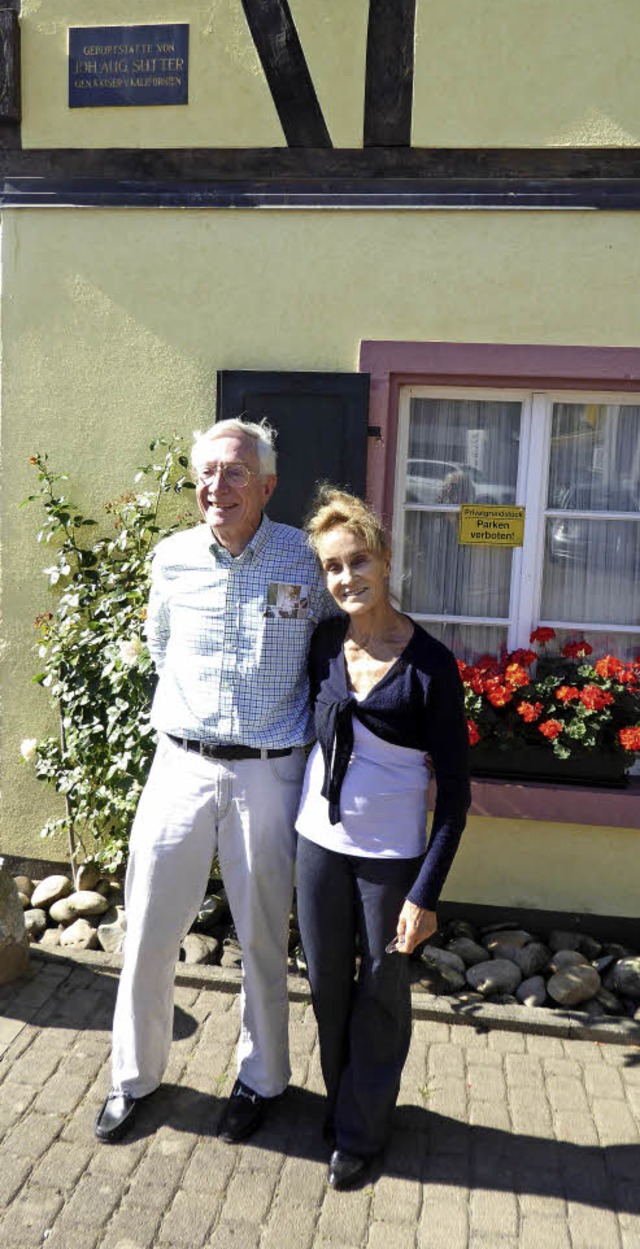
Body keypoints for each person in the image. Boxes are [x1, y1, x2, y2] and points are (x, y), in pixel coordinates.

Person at [95, 418, 334, 1144]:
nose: (216, 487)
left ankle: (262, 1079)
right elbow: (161, 645)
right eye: (206, 473)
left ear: (266, 484)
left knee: (262, 934)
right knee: (148, 929)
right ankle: (134, 1077)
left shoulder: (305, 558)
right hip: (182, 765)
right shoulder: (171, 558)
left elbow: (334, 647)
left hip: (269, 771)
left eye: (234, 473)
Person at [295, 488, 471, 1189]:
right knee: (328, 985)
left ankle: (363, 1131)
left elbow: (455, 799)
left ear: (385, 557)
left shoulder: (432, 666)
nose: (345, 579)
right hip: (317, 844)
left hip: (391, 860)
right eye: (332, 567)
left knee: (383, 991)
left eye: (357, 560)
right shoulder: (321, 644)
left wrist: (426, 893)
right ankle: (344, 1105)